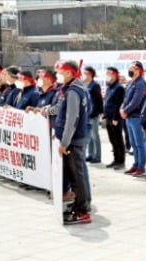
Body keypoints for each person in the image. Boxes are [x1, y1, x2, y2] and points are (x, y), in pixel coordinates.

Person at [54, 60, 91, 225]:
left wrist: (65, 142)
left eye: (60, 72)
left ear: (69, 73)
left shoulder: (73, 92)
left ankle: (82, 211)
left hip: (73, 141)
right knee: (75, 175)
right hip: (74, 140)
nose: (58, 76)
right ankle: (78, 205)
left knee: (77, 176)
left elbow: (72, 119)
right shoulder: (76, 88)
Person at [120, 61, 146, 176]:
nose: (130, 70)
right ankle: (136, 164)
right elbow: (126, 98)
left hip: (136, 116)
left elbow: (136, 101)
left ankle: (141, 166)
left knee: (139, 143)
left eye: (133, 68)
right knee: (133, 143)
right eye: (130, 68)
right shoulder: (132, 82)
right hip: (129, 117)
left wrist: (125, 111)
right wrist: (122, 109)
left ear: (139, 70)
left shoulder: (141, 83)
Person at [103, 67, 126, 169]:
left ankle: (120, 161)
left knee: (118, 139)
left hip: (115, 118)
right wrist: (104, 116)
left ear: (115, 75)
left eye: (109, 73)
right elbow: (106, 103)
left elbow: (119, 104)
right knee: (112, 140)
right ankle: (115, 159)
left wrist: (116, 118)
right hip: (108, 117)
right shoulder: (109, 87)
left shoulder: (119, 88)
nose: (107, 75)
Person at [83, 66, 104, 163]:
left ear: (90, 74)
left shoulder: (95, 85)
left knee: (95, 135)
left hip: (93, 114)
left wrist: (100, 112)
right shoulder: (84, 85)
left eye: (85, 73)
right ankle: (90, 154)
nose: (84, 75)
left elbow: (99, 100)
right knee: (89, 136)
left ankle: (98, 156)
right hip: (86, 114)